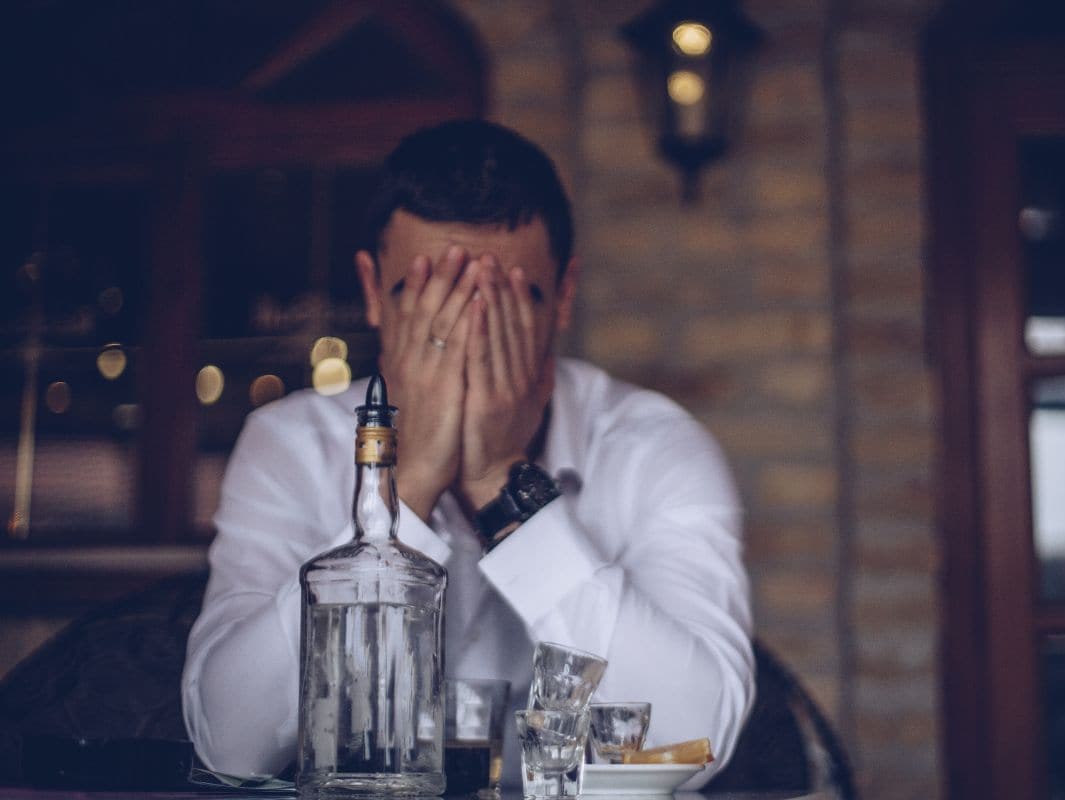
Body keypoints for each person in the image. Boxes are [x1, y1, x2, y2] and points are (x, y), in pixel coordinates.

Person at [182, 119, 754, 788]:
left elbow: (693, 744)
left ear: (563, 297)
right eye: (427, 300)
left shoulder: (651, 447)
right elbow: (231, 744)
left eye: (502, 303)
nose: (465, 335)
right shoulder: (291, 444)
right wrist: (406, 493)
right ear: (372, 292)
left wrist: (501, 483)